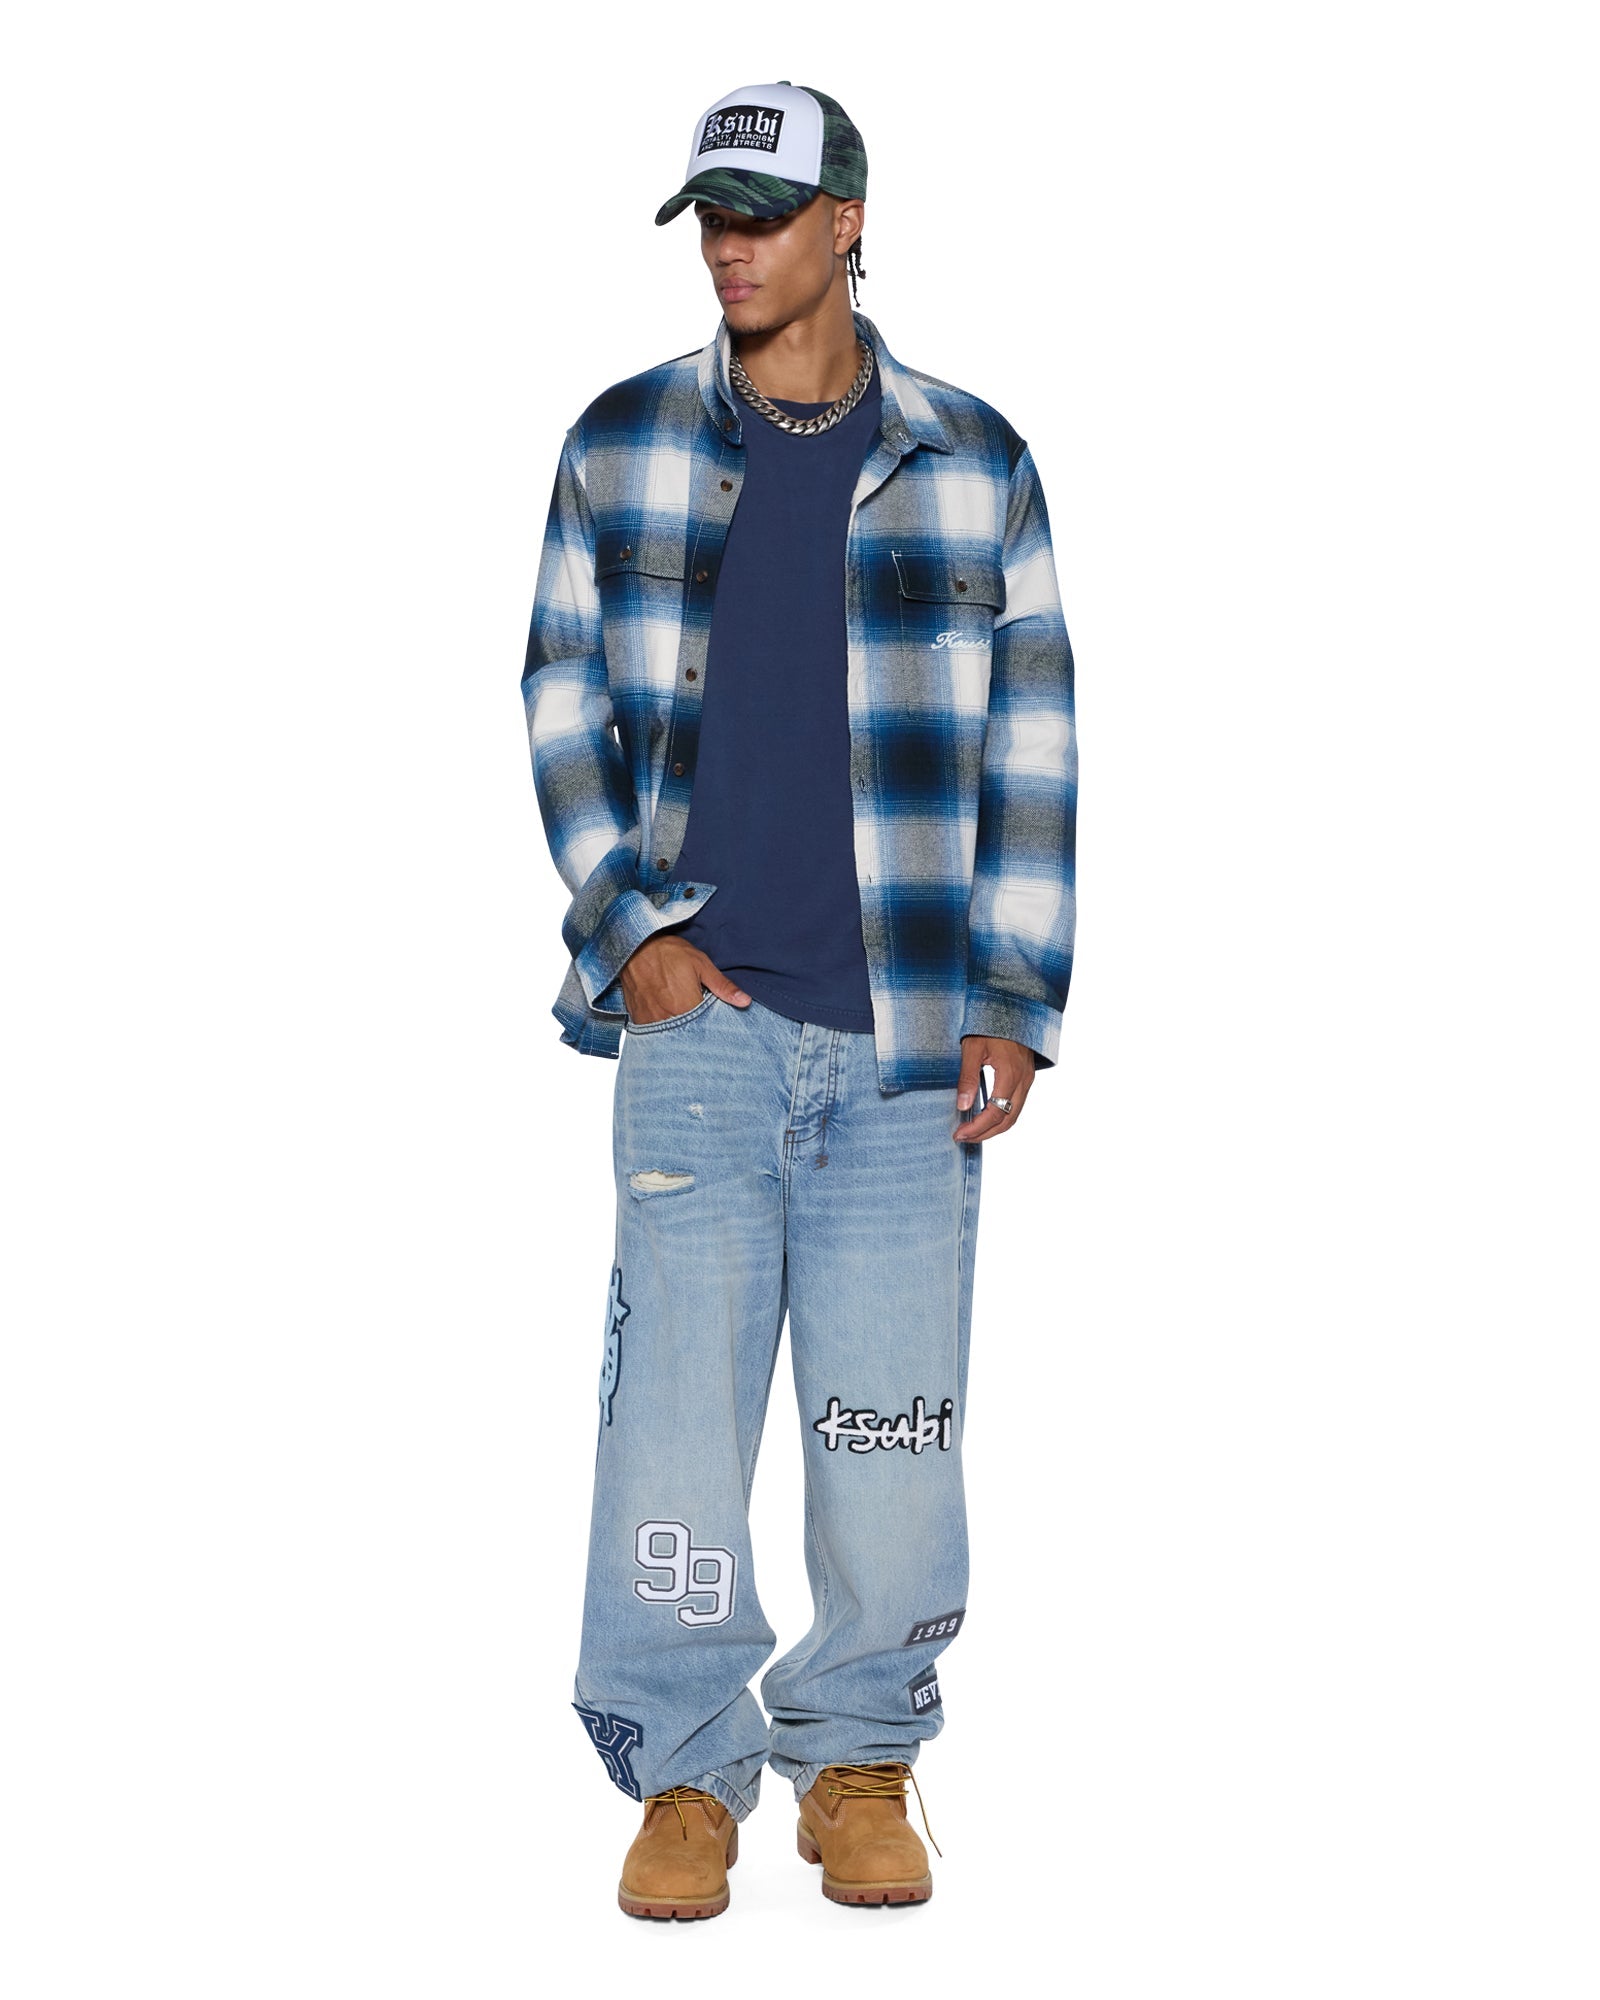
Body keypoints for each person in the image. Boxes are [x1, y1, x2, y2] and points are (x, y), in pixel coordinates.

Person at [520, 80, 1077, 1919]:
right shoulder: (620, 445)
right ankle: (686, 1772)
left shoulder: (977, 461)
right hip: (704, 1033)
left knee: (891, 1432)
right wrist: (630, 935)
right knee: (673, 1436)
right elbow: (559, 695)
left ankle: (859, 1755)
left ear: (848, 220)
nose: (730, 245)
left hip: (907, 1043)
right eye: (712, 213)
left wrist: (1012, 991)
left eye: (763, 211)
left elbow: (1035, 736)